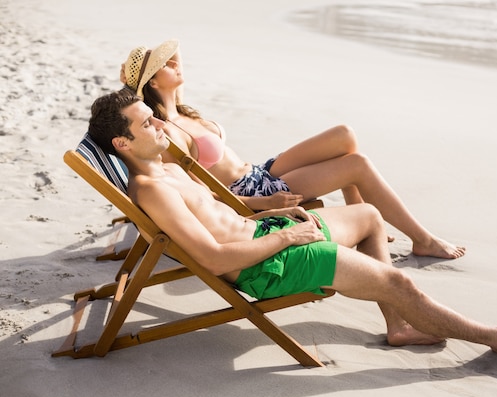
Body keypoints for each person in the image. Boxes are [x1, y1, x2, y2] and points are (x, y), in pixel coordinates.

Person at [86, 89, 497, 353]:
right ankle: (496, 338)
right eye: (147, 123)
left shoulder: (169, 167)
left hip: (270, 234)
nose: (160, 126)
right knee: (399, 282)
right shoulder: (151, 188)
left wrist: (269, 210)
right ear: (123, 145)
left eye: (155, 117)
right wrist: (290, 234)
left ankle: (399, 327)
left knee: (371, 216)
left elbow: (220, 209)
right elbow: (212, 256)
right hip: (266, 267)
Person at [119, 39, 466, 259]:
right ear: (152, 82)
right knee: (356, 163)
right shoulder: (167, 133)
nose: (177, 65)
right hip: (252, 191)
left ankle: (361, 215)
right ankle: (422, 239)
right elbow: (200, 196)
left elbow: (176, 49)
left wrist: (154, 62)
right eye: (166, 66)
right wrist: (259, 205)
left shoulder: (181, 110)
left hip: (261, 171)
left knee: (344, 135)